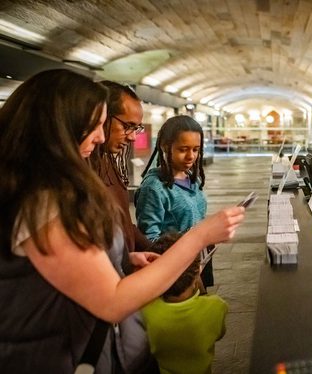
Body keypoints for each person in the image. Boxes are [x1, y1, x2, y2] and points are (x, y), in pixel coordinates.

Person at [0, 69, 245, 373]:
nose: (101, 136)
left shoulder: (45, 188)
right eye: (95, 125)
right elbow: (113, 301)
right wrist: (199, 237)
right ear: (60, 126)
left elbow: (66, 264)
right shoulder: (44, 201)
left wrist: (121, 258)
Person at [135, 115, 215, 288]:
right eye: (183, 149)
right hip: (176, 272)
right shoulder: (154, 188)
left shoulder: (193, 179)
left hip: (197, 261)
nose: (191, 156)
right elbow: (150, 238)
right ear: (165, 146)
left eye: (196, 149)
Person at [142, 232, 227, 374]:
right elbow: (219, 333)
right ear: (197, 273)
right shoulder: (217, 306)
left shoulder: (145, 312)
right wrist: (200, 286)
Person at [90, 81, 153, 266]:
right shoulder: (81, 170)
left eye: (136, 128)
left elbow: (123, 221)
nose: (133, 137)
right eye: (128, 126)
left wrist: (158, 251)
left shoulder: (107, 158)